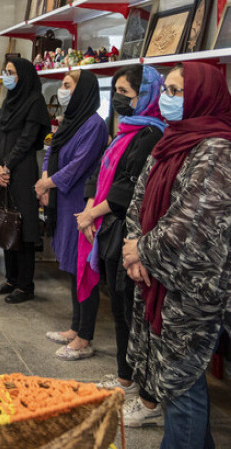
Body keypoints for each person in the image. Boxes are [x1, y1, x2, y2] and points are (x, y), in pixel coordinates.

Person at [122, 62, 231, 449]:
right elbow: (139, 197)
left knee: (181, 383)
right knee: (177, 378)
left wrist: (141, 251)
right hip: (156, 278)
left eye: (176, 90)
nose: (166, 96)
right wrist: (134, 244)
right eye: (165, 88)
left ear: (202, 95)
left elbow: (195, 222)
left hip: (190, 286)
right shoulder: (173, 139)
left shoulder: (218, 150)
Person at [75, 65, 165, 401]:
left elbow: (127, 188)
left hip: (129, 231)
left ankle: (135, 382)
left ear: (146, 95)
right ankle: (124, 375)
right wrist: (89, 209)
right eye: (115, 92)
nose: (118, 100)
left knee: (129, 308)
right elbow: (101, 170)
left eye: (125, 93)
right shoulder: (127, 129)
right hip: (108, 224)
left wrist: (90, 215)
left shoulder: (151, 135)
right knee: (119, 307)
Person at [37, 70, 108, 360]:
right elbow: (50, 149)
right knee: (71, 266)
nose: (62, 90)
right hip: (62, 201)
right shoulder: (70, 120)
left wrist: (47, 183)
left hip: (80, 204)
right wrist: (44, 177)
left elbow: (79, 165)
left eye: (67, 86)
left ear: (82, 90)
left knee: (84, 270)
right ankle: (75, 327)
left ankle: (84, 338)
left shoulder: (95, 125)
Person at [0, 58, 50, 303]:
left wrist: (7, 166)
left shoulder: (35, 102)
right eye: (5, 72)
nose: (6, 76)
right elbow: (0, 136)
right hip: (4, 169)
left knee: (23, 225)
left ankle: (26, 285)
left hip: (23, 169)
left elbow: (27, 140)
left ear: (24, 75)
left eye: (11, 72)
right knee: (7, 222)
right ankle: (11, 278)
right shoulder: (9, 101)